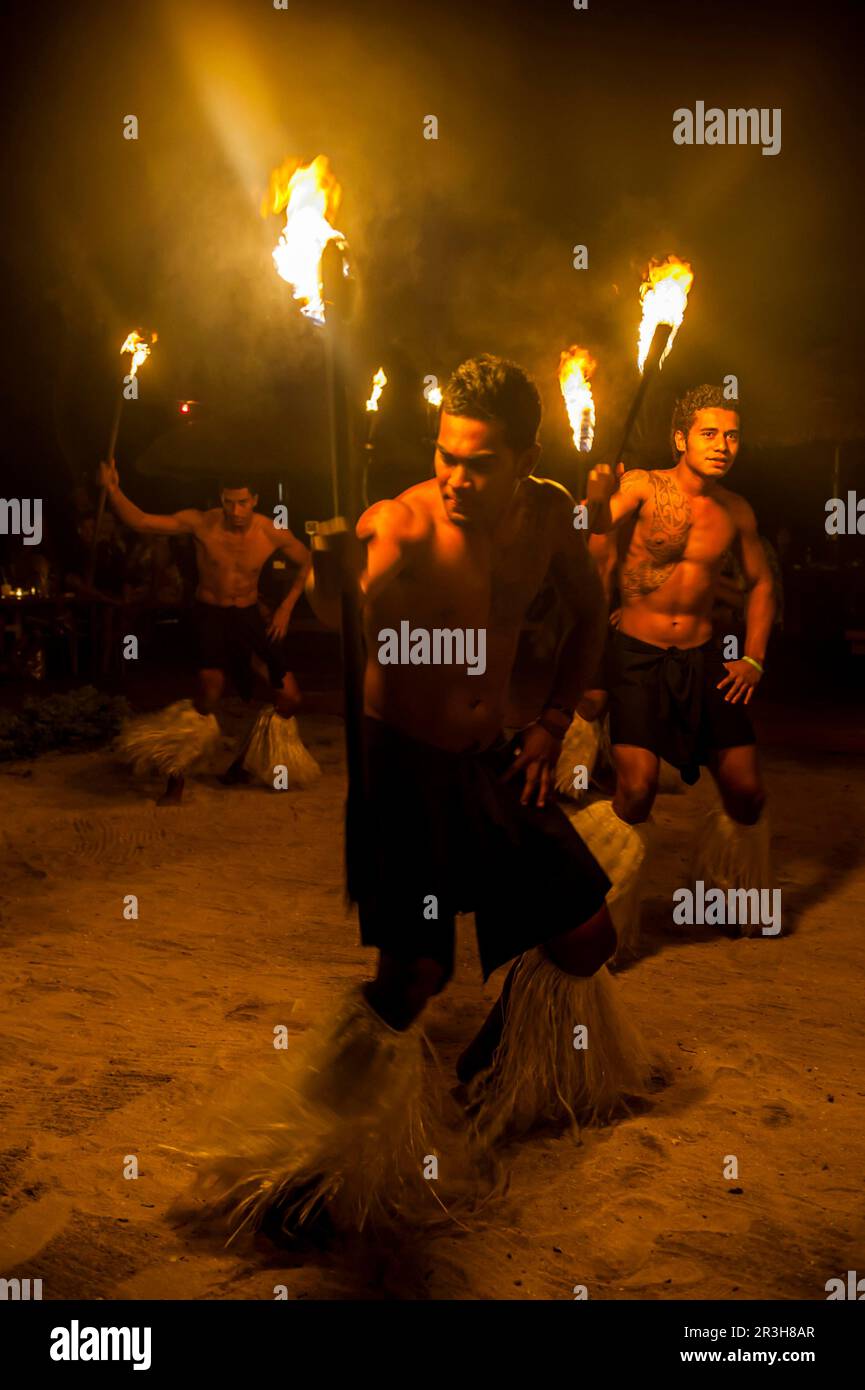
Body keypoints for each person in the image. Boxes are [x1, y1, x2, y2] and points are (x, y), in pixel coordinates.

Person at [183, 355, 659, 1244]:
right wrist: (329, 567)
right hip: (401, 770)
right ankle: (310, 1162)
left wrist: (552, 719)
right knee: (414, 979)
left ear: (524, 457)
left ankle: (497, 1069)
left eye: (477, 462)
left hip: (492, 759)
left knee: (587, 934)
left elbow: (589, 615)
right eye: (444, 453)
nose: (453, 477)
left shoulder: (550, 515)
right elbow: (341, 606)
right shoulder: (398, 519)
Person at [584, 384, 776, 946]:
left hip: (705, 657)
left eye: (732, 434)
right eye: (710, 433)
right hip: (639, 656)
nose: (723, 445)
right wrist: (595, 494)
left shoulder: (736, 511)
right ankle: (593, 915)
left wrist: (755, 659)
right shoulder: (643, 485)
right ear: (680, 438)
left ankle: (725, 891)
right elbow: (591, 527)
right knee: (637, 791)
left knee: (746, 791)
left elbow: (761, 583)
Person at [101, 460, 318, 803]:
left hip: (248, 616)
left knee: (290, 697)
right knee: (209, 693)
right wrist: (113, 489)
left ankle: (245, 763)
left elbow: (309, 561)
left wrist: (286, 607)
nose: (235, 510)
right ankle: (176, 775)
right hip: (210, 615)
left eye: (243, 502)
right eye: (229, 502)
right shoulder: (200, 523)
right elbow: (142, 520)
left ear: (255, 500)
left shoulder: (270, 532)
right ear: (220, 499)